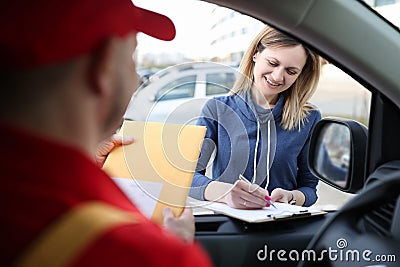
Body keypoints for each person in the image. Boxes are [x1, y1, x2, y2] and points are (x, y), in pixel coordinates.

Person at [0, 0, 212, 266]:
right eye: (132, 58)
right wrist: (176, 247)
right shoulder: (149, 255)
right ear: (105, 65)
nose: (136, 80)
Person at [190, 26, 322, 208]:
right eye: (273, 63)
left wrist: (291, 197)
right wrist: (225, 194)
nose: (277, 77)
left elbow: (309, 188)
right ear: (255, 55)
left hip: (281, 227)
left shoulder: (310, 118)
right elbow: (188, 177)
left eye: (291, 71)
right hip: (230, 227)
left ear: (301, 75)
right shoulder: (217, 109)